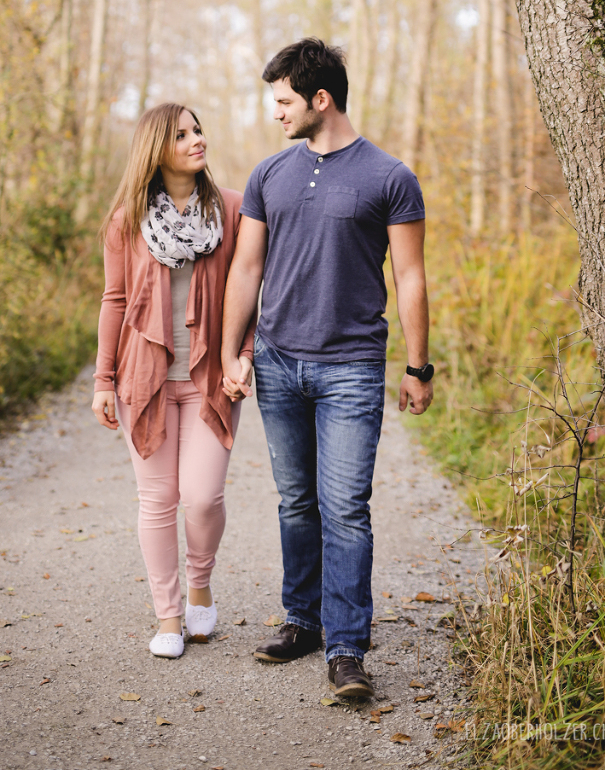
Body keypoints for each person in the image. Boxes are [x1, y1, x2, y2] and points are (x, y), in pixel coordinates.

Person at [220, 39, 434, 700]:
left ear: (321, 98)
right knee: (297, 503)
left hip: (351, 369)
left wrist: (418, 366)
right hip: (279, 364)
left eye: (284, 100)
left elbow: (411, 276)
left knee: (345, 508)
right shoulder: (269, 174)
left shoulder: (389, 177)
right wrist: (234, 351)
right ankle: (303, 621)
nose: (276, 112)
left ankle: (346, 648)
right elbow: (247, 267)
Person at [92, 103, 254, 659]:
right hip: (147, 380)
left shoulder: (233, 210)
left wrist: (244, 354)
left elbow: (252, 290)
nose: (196, 140)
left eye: (199, 130)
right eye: (182, 134)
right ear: (156, 149)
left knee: (203, 497)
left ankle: (201, 586)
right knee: (157, 499)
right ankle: (168, 614)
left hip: (210, 378)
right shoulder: (126, 220)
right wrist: (103, 379)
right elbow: (114, 301)